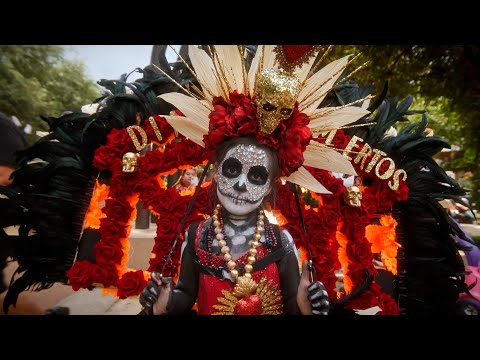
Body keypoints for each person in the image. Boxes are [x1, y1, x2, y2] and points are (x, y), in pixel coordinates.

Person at [140, 136, 330, 315]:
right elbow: (187, 293)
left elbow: (291, 301)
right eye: (232, 170)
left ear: (269, 187)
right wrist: (165, 303)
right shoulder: (197, 235)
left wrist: (305, 306)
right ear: (216, 172)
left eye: (256, 176)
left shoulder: (280, 240)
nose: (240, 184)